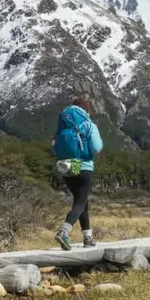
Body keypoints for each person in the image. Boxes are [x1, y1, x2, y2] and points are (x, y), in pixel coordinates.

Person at [52, 101, 103, 250]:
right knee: (80, 202)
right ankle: (64, 232)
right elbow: (96, 147)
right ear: (87, 111)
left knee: (81, 202)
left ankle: (88, 237)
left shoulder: (63, 126)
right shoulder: (88, 125)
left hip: (66, 167)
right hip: (84, 167)